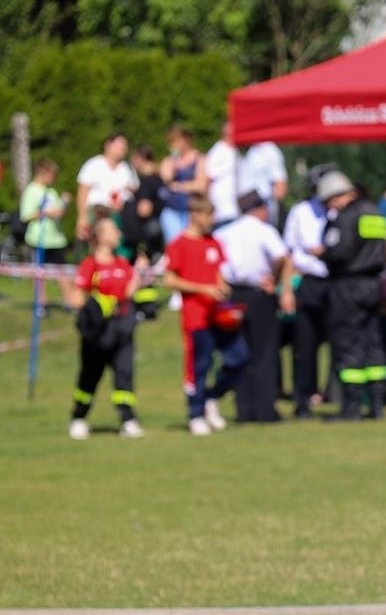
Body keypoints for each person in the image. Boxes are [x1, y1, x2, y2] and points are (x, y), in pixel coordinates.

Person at [164, 197, 246, 436]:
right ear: (195, 215)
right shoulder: (179, 244)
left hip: (218, 314)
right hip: (195, 315)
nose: (211, 220)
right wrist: (202, 289)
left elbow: (218, 273)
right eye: (207, 215)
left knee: (239, 357)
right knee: (199, 365)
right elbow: (169, 279)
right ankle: (195, 413)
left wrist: (222, 288)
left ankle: (213, 397)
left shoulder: (214, 243)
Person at [318, 171, 386, 421]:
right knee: (373, 343)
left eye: (329, 201)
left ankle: (351, 407)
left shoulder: (346, 216)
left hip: (348, 285)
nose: (330, 207)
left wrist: (323, 253)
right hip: (373, 285)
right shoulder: (375, 212)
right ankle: (377, 405)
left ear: (338, 195)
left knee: (348, 342)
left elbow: (339, 251)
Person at [217, 190, 293, 422]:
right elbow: (282, 257)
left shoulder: (224, 232)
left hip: (233, 293)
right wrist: (276, 279)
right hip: (259, 294)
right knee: (264, 353)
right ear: (260, 208)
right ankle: (264, 409)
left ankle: (244, 408)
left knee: (240, 353)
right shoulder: (264, 231)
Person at [67, 217, 145, 440]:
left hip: (122, 329)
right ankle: (79, 418)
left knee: (124, 374)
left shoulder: (122, 263)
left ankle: (128, 419)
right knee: (89, 377)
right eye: (113, 230)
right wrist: (98, 304)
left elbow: (128, 293)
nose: (118, 234)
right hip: (98, 333)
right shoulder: (90, 264)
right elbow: (77, 298)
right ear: (100, 236)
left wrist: (139, 273)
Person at [282, 171, 334, 418]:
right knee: (305, 344)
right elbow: (290, 252)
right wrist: (288, 290)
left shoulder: (339, 210)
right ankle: (302, 399)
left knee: (339, 341)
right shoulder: (301, 211)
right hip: (310, 281)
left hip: (335, 280)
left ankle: (337, 395)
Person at [19, 160, 74, 304]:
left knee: (62, 272)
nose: (54, 178)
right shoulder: (31, 190)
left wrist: (64, 205)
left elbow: (58, 212)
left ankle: (70, 302)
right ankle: (41, 304)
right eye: (52, 174)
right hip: (38, 238)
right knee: (39, 273)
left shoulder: (51, 191)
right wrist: (47, 213)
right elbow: (25, 215)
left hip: (55, 239)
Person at [75, 133, 138, 241]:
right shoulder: (93, 164)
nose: (123, 149)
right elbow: (83, 192)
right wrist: (82, 217)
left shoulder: (127, 168)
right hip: (97, 213)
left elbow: (135, 189)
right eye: (119, 145)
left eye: (124, 146)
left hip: (120, 215)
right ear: (108, 145)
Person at [158, 125, 209, 246]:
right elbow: (166, 177)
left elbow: (201, 185)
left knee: (193, 243)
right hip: (172, 210)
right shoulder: (170, 160)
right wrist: (174, 162)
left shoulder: (199, 159)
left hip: (192, 210)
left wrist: (181, 186)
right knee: (174, 244)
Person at [121, 146, 165, 262]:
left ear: (140, 159)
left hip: (150, 229)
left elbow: (144, 209)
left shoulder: (146, 182)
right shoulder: (159, 178)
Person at [240, 139, 288, 225]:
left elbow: (280, 187)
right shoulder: (251, 149)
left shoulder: (270, 150)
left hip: (261, 210)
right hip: (247, 209)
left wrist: (264, 207)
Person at [206, 119, 240, 229]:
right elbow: (208, 179)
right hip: (223, 210)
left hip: (237, 209)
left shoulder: (236, 151)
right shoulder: (217, 151)